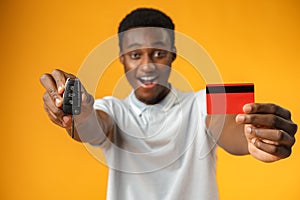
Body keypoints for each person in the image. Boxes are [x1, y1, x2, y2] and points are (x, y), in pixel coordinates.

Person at [40, 8, 297, 200]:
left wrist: (255, 139)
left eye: (159, 53)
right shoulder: (113, 110)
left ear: (173, 54)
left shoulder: (199, 104)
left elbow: (229, 127)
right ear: (122, 59)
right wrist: (79, 113)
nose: (147, 65)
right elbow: (94, 127)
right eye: (135, 55)